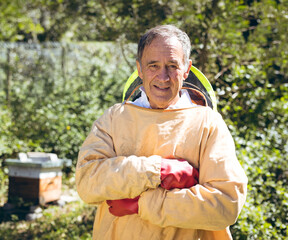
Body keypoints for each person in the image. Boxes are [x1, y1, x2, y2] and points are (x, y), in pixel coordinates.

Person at [75, 25, 247, 240]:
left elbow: (225, 203)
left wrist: (141, 204)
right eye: (153, 65)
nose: (163, 76)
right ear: (139, 69)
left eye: (172, 65)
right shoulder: (113, 119)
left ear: (186, 69)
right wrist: (159, 171)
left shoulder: (208, 123)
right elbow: (87, 182)